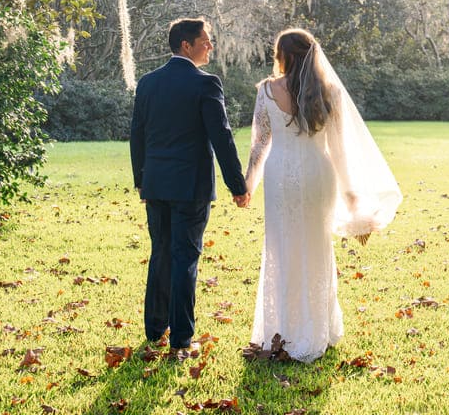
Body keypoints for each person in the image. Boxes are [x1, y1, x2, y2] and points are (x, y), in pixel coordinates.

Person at [243, 28, 402, 362]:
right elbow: (339, 151)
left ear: (283, 57)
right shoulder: (329, 92)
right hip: (318, 174)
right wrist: (352, 198)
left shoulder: (267, 91)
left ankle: (282, 330)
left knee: (281, 247)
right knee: (316, 247)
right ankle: (315, 329)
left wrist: (247, 184)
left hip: (280, 178)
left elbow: (259, 144)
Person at [130, 18, 251, 359]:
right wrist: (237, 185)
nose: (210, 46)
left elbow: (137, 134)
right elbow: (222, 137)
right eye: (205, 40)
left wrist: (142, 179)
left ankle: (155, 329)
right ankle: (182, 340)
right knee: (185, 258)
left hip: (155, 184)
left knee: (162, 254)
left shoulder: (148, 82)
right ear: (187, 44)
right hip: (191, 187)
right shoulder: (205, 84)